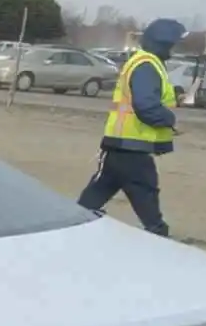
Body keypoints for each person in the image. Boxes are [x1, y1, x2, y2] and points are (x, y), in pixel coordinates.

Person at [76, 17, 184, 236]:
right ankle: (158, 233)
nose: (174, 49)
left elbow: (149, 97)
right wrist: (169, 120)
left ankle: (74, 223)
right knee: (144, 191)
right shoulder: (147, 65)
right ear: (164, 44)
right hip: (133, 146)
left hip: (120, 144)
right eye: (173, 44)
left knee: (100, 190)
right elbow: (145, 104)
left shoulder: (145, 63)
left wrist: (175, 95)